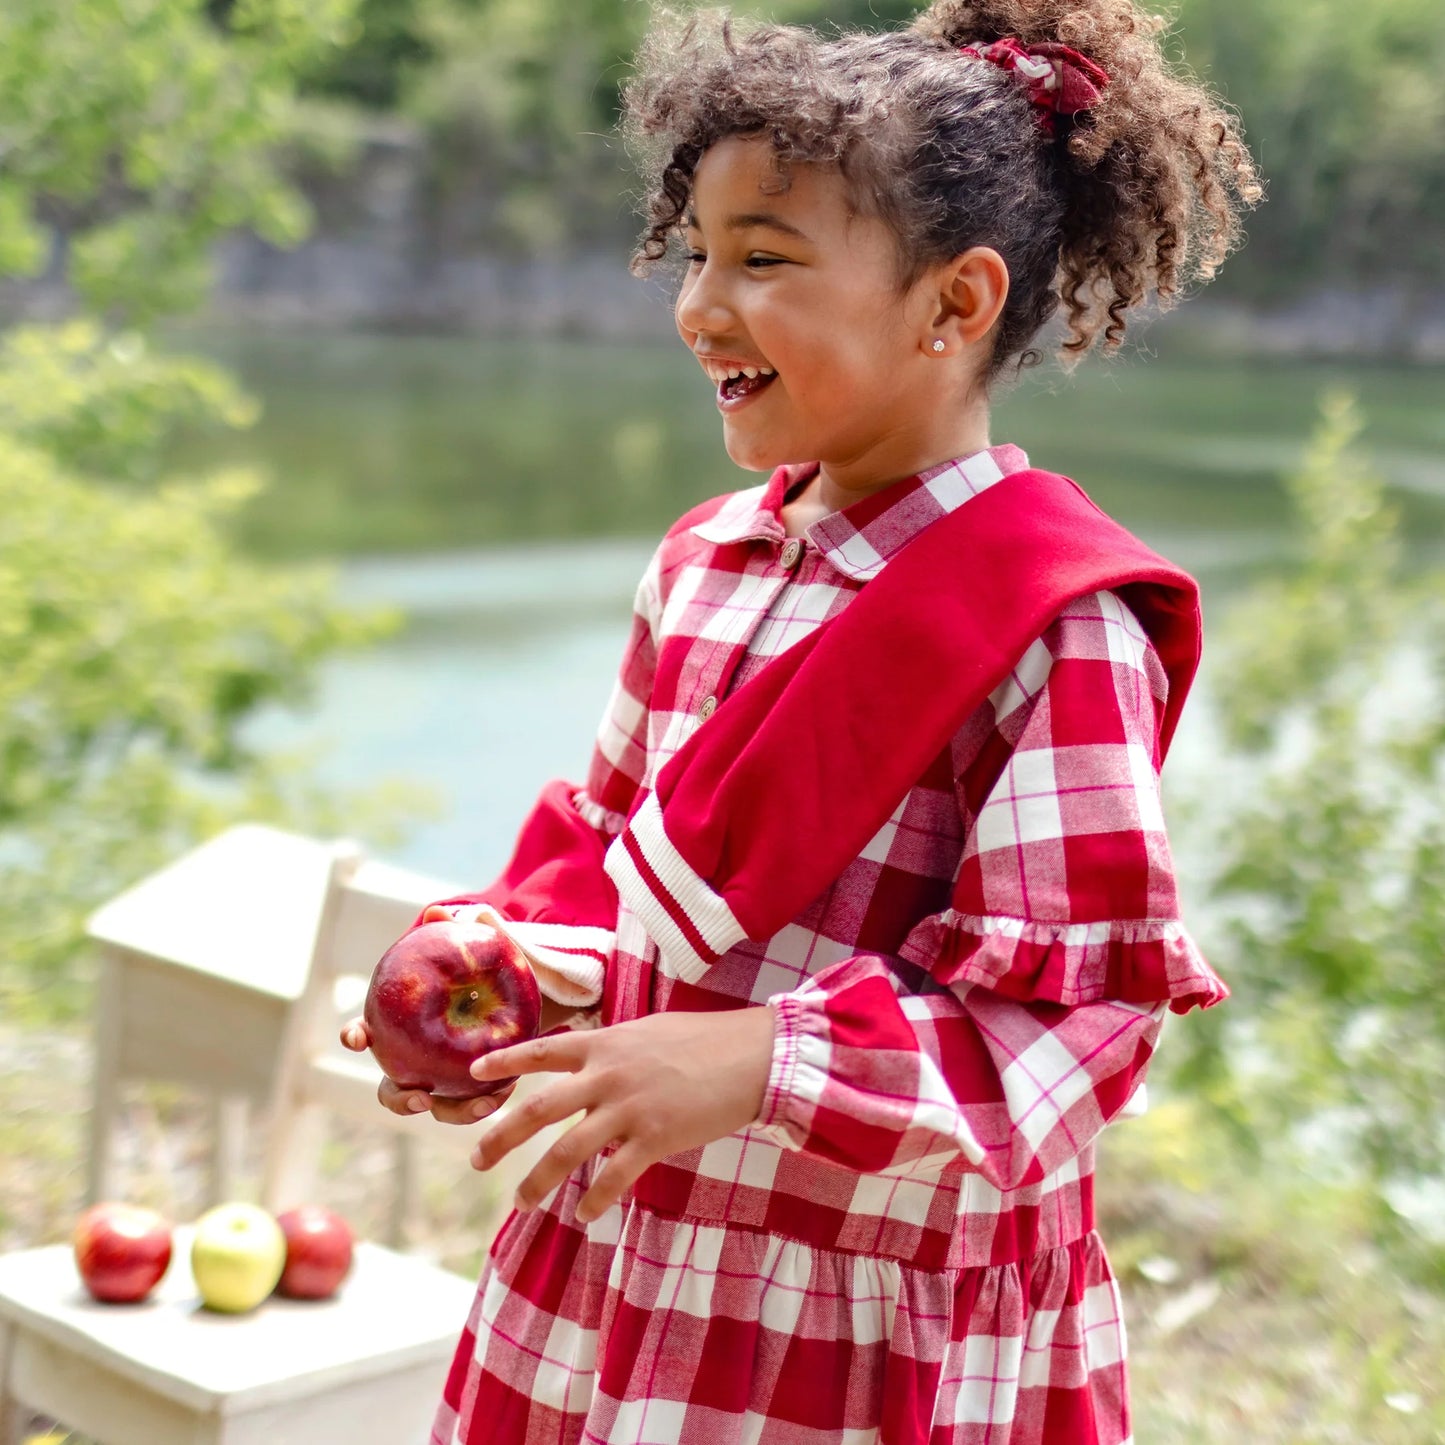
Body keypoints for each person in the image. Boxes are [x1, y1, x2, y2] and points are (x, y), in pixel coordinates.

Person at [342, 2, 1262, 1440]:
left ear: (951, 306)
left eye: (762, 260)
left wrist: (756, 1059)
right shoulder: (704, 560)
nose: (700, 304)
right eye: (695, 251)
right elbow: (623, 885)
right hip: (619, 1268)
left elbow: (1066, 1038)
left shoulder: (1055, 625)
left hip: (860, 1331)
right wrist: (526, 1000)